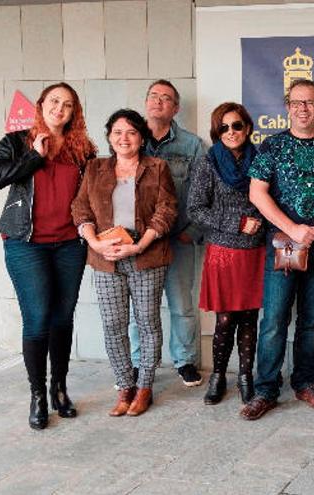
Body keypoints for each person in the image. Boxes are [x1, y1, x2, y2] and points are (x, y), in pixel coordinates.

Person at [0, 82, 96, 429]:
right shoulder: (17, 141)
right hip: (25, 243)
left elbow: (92, 195)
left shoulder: (82, 149)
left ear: (74, 112)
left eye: (67, 104)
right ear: (41, 105)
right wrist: (34, 154)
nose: (59, 109)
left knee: (62, 318)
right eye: (54, 101)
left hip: (69, 244)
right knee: (37, 318)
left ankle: (59, 389)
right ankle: (37, 395)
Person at [242, 80, 314, 420]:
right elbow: (257, 194)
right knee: (274, 319)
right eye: (296, 102)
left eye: (311, 102)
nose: (303, 108)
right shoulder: (270, 147)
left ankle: (305, 383)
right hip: (283, 248)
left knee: (312, 321)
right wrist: (294, 230)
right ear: (287, 107)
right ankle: (265, 390)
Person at [71, 109, 177, 417]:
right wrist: (95, 243)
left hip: (147, 258)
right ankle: (124, 385)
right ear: (109, 137)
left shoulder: (157, 167)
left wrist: (140, 245)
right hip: (105, 260)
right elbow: (80, 209)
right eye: (117, 132)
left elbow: (167, 210)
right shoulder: (94, 169)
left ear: (141, 138)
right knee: (113, 324)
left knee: (147, 322)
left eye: (131, 132)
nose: (124, 138)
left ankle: (144, 387)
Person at [130, 79, 206, 388]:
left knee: (181, 305)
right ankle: (138, 363)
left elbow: (206, 191)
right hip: (138, 244)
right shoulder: (130, 139)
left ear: (175, 108)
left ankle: (185, 361)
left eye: (166, 98)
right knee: (140, 308)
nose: (158, 101)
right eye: (153, 96)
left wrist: (193, 231)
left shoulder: (192, 146)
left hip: (178, 240)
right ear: (145, 102)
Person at [188, 103, 265, 406]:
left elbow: (271, 201)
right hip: (223, 252)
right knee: (224, 320)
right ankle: (218, 376)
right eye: (224, 127)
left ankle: (246, 376)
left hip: (255, 252)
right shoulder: (208, 163)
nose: (231, 132)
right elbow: (195, 209)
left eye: (237, 126)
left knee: (249, 317)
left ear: (247, 128)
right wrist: (236, 223)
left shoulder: (261, 160)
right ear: (216, 132)